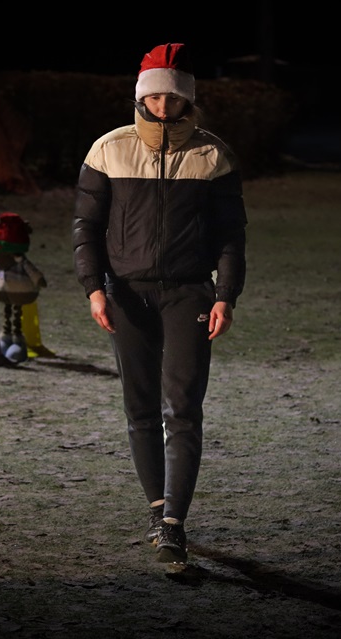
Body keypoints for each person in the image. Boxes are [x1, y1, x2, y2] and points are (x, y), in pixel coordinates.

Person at [72, 43, 247, 563]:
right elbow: (86, 228)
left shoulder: (213, 155)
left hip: (189, 293)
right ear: (141, 97)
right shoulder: (108, 150)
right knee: (140, 407)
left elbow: (231, 236)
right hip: (126, 296)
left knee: (184, 408)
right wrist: (94, 288)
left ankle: (174, 523)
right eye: (154, 96)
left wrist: (225, 295)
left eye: (172, 97)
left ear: (186, 98)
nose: (163, 106)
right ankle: (156, 507)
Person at [0, 212, 47, 363]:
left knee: (16, 314)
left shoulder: (19, 261)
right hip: (4, 292)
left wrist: (39, 280)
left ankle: (18, 341)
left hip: (19, 292)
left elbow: (31, 270)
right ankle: (5, 339)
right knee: (7, 313)